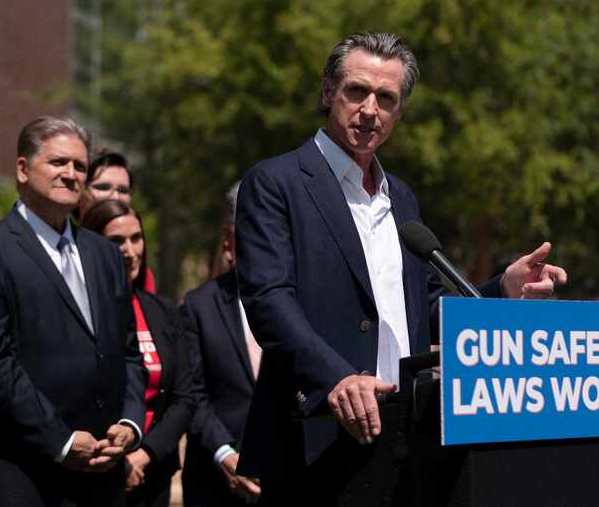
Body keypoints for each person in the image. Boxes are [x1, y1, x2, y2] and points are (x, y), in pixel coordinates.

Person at [234, 32, 569, 504]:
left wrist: (501, 291)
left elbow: (427, 306)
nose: (370, 109)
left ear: (399, 112)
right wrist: (336, 377)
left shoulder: (402, 199)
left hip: (406, 438)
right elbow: (269, 302)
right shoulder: (276, 182)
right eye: (357, 91)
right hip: (315, 441)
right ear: (328, 91)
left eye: (386, 98)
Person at [0, 117, 147, 507]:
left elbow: (127, 351)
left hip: (104, 472)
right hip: (28, 473)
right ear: (23, 169)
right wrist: (60, 439)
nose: (71, 174)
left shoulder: (106, 254)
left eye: (80, 166)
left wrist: (129, 423)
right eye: (58, 162)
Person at [81, 199, 194, 507]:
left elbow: (184, 397)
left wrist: (143, 456)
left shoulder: (164, 311)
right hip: (94, 471)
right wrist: (117, 461)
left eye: (136, 238)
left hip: (153, 473)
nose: (130, 251)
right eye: (116, 241)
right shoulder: (79, 314)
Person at [182, 182, 262, 507]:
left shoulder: (305, 302)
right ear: (229, 242)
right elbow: (192, 394)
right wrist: (225, 454)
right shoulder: (198, 306)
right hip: (214, 483)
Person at [77, 149, 157, 293]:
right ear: (79, 191)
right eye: (103, 187)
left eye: (123, 190)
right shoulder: (63, 252)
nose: (115, 197)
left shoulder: (140, 271)